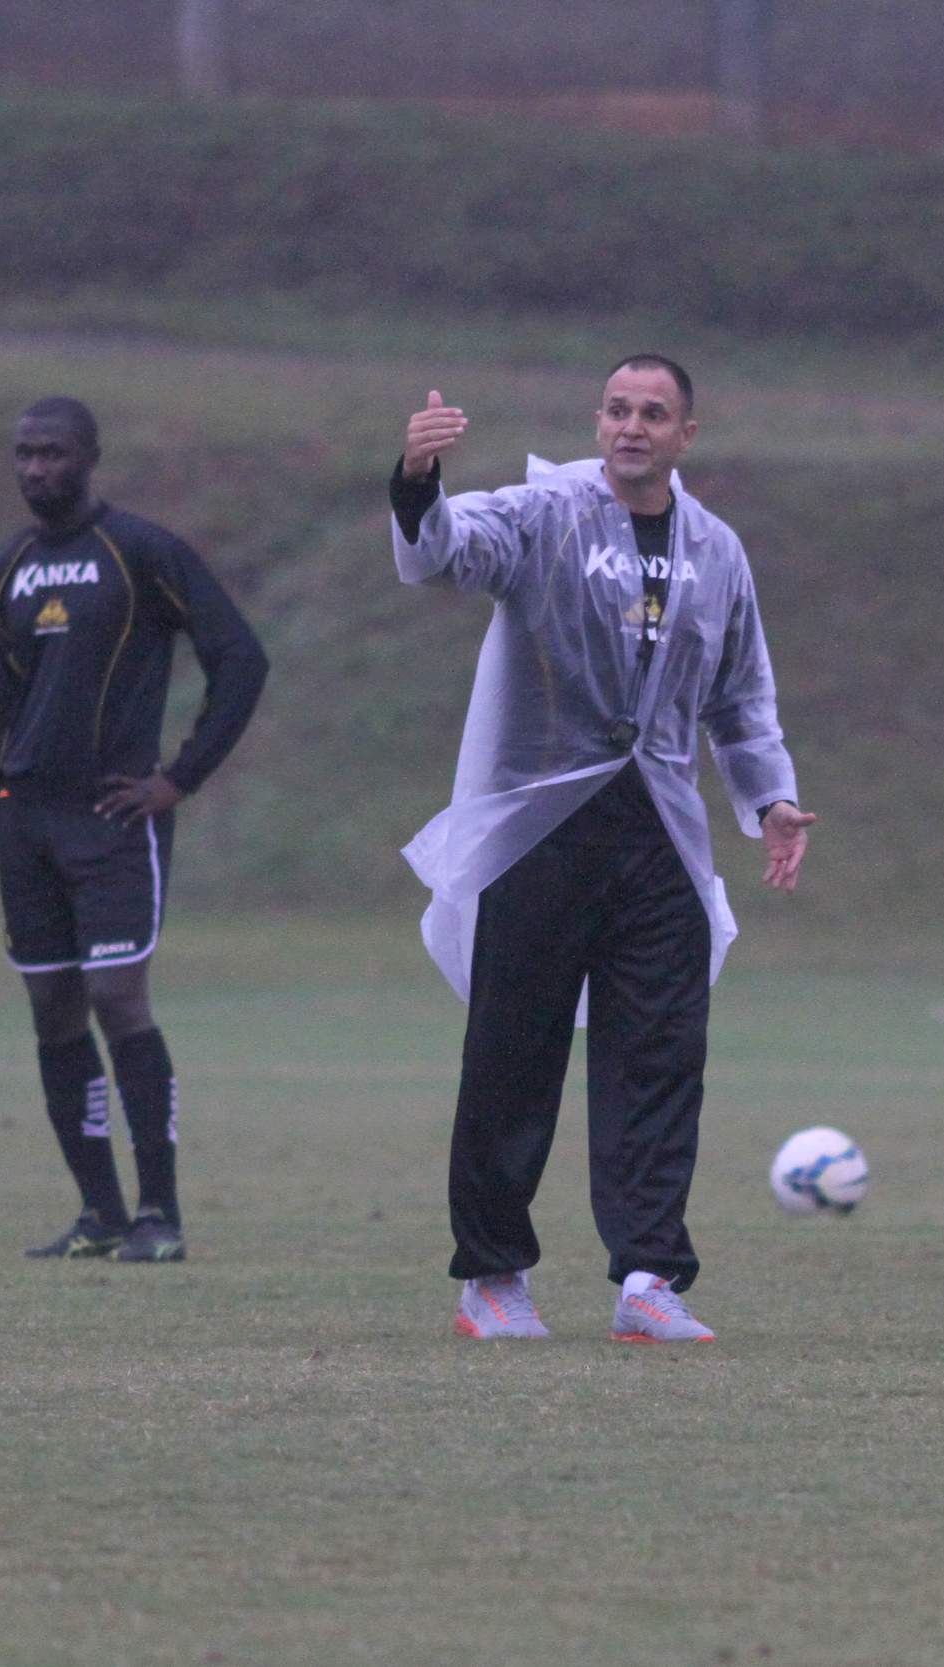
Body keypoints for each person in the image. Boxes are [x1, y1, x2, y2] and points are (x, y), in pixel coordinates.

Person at [391, 354, 813, 1344]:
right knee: (512, 1056)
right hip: (540, 828)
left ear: (685, 435)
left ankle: (649, 1276)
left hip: (660, 833)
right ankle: (492, 1275)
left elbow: (740, 694)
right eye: (618, 409)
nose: (632, 426)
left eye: (654, 413)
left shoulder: (715, 549)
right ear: (597, 422)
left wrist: (772, 798)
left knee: (660, 1056)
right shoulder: (544, 514)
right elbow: (448, 552)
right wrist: (416, 481)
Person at [0, 397, 268, 1265]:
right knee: (53, 1008)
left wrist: (178, 778)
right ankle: (99, 1212)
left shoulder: (141, 552)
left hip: (113, 816)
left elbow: (240, 657)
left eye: (52, 453)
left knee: (117, 995)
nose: (35, 469)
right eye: (24, 454)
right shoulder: (6, 570)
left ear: (90, 456)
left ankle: (160, 1212)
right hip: (27, 824)